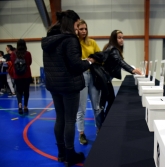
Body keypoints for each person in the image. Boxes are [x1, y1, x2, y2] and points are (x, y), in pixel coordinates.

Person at [41, 10, 94, 167]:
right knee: (70, 120)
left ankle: (61, 153)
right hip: (69, 85)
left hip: (54, 85)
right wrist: (89, 62)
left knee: (60, 118)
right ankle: (70, 154)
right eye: (77, 25)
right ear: (72, 23)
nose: (78, 29)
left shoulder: (49, 40)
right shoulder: (70, 40)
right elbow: (76, 65)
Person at [100, 30, 142, 120]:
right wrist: (132, 70)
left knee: (108, 101)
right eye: (119, 38)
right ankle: (102, 124)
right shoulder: (113, 49)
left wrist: (132, 68)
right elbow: (120, 62)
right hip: (103, 80)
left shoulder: (110, 48)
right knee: (105, 103)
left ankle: (104, 121)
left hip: (105, 79)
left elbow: (119, 63)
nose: (122, 40)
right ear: (114, 39)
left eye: (122, 38)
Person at [76, 19, 102, 145]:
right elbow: (75, 61)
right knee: (81, 108)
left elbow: (100, 57)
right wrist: (87, 60)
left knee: (96, 106)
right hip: (81, 76)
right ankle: (81, 134)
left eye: (85, 28)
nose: (84, 31)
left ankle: (99, 129)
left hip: (94, 75)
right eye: (81, 29)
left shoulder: (92, 42)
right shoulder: (74, 43)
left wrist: (91, 60)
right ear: (77, 30)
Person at [10, 39, 31, 114]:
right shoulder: (28, 53)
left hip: (17, 76)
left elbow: (12, 63)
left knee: (18, 91)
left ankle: (19, 106)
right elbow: (29, 63)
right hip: (26, 75)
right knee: (26, 91)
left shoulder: (13, 54)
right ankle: (25, 106)